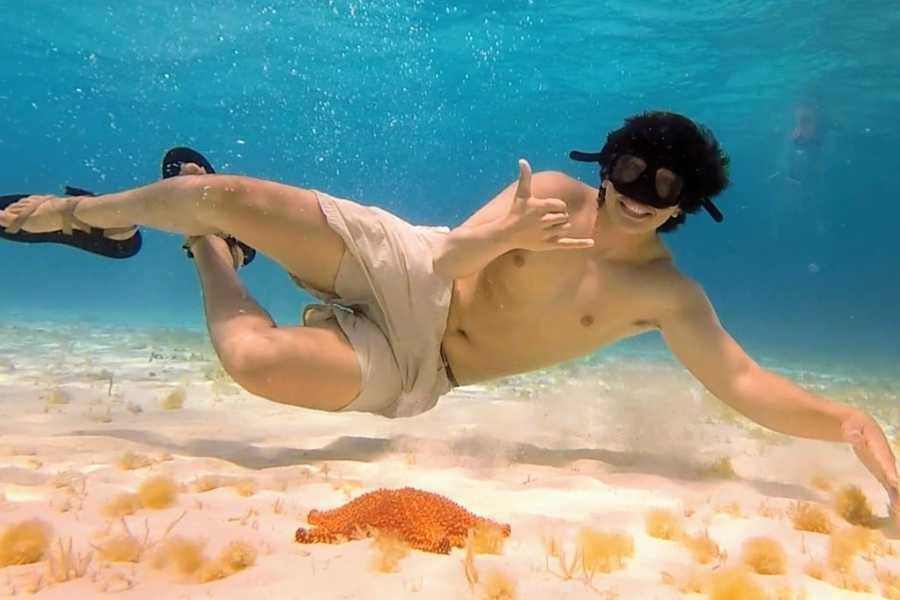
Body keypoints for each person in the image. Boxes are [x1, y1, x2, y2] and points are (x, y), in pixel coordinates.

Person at [1, 111, 897, 523]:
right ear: (606, 164)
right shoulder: (544, 197)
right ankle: (84, 215)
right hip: (413, 266)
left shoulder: (666, 296)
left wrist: (845, 420)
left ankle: (208, 247)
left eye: (661, 188)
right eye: (625, 170)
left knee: (255, 361)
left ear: (684, 207)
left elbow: (741, 380)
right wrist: (504, 232)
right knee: (232, 192)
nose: (633, 195)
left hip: (426, 370)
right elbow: (438, 264)